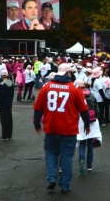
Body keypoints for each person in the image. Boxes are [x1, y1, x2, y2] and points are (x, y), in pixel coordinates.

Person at [33, 63, 90, 193]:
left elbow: (38, 108)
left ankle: (52, 177)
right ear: (69, 73)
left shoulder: (46, 87)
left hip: (51, 127)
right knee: (66, 157)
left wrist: (37, 124)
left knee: (51, 152)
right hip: (68, 129)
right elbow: (84, 110)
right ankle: (65, 184)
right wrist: (87, 125)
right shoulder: (74, 89)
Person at [76, 80, 101, 173]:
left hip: (81, 121)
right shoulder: (92, 94)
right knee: (90, 144)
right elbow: (96, 108)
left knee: (82, 143)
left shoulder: (76, 95)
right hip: (92, 120)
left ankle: (81, 160)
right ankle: (89, 165)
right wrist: (97, 118)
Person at [0, 69, 15, 141]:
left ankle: (5, 135)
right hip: (9, 103)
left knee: (4, 120)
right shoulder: (11, 83)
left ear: (1, 75)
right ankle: (9, 134)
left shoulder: (1, 85)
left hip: (3, 104)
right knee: (9, 119)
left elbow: (1, 96)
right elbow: (12, 94)